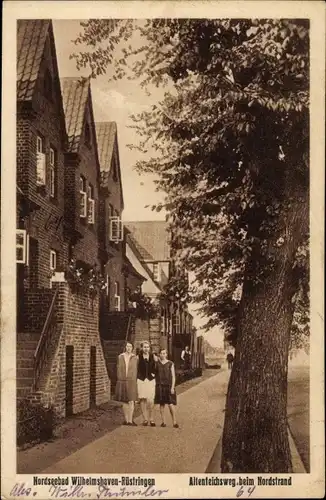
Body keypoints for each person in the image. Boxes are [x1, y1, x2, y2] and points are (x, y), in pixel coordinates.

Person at [115, 341, 138, 426]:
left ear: (132, 348)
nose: (129, 348)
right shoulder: (120, 357)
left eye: (130, 347)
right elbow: (117, 368)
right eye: (127, 346)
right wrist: (120, 378)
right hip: (123, 380)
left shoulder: (135, 357)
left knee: (131, 400)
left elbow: (137, 370)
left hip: (132, 381)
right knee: (124, 401)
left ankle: (130, 420)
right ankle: (126, 419)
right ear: (125, 347)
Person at [155, 348, 179, 428]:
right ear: (159, 354)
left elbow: (173, 376)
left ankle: (174, 422)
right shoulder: (157, 364)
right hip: (160, 386)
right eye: (161, 353)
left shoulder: (170, 363)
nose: (163, 355)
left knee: (170, 404)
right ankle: (163, 422)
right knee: (161, 404)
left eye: (164, 353)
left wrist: (172, 387)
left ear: (166, 354)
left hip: (168, 386)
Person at [137, 341, 157, 426]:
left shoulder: (153, 357)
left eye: (147, 347)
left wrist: (154, 373)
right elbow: (135, 367)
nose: (146, 349)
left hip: (150, 380)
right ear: (142, 348)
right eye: (144, 347)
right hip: (141, 380)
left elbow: (158, 365)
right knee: (142, 399)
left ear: (149, 348)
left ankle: (151, 419)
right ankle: (145, 419)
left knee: (151, 400)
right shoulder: (138, 357)